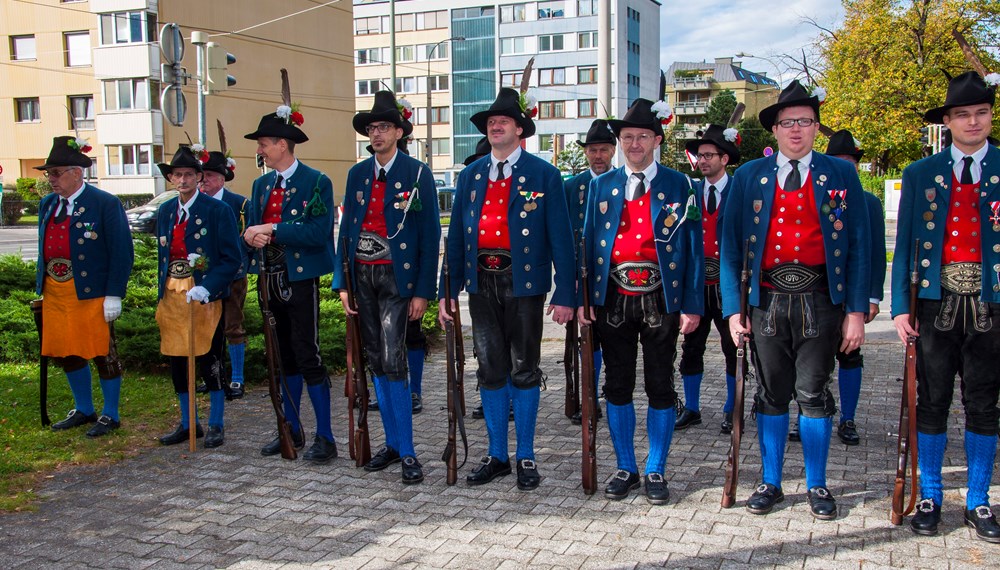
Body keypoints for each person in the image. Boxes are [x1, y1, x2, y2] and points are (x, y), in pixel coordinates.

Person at [720, 80, 870, 520]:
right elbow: (729, 248)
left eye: (805, 121)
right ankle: (770, 482)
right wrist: (733, 309)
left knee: (813, 394)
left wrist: (856, 311)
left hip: (821, 299)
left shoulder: (841, 175)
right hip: (766, 301)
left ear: (816, 127)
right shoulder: (749, 176)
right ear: (776, 130)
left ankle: (818, 484)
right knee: (770, 394)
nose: (796, 130)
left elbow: (859, 243)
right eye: (788, 123)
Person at [440, 87, 576, 490]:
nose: (494, 125)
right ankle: (498, 454)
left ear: (520, 129)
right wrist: (449, 288)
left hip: (525, 283)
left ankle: (527, 456)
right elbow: (457, 240)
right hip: (481, 284)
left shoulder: (543, 174)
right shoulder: (471, 174)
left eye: (502, 120)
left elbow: (562, 239)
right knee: (490, 368)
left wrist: (566, 293)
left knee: (524, 368)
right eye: (489, 122)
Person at [891, 70, 1000, 541]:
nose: (972, 121)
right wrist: (899, 307)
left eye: (980, 112)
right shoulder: (921, 174)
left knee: (983, 404)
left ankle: (978, 500)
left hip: (992, 306)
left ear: (991, 116)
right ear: (948, 121)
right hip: (934, 305)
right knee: (931, 402)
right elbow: (907, 245)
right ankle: (931, 492)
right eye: (963, 114)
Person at [578, 98, 704, 504]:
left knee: (659, 385)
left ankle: (655, 468)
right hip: (613, 297)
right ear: (619, 141)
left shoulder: (680, 184)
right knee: (616, 385)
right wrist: (583, 298)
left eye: (642, 136)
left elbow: (693, 250)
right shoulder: (600, 184)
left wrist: (692, 303)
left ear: (657, 140)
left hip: (660, 299)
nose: (634, 144)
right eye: (627, 136)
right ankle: (626, 466)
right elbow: (586, 244)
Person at [333, 91, 440, 484]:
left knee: (395, 360)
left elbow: (430, 237)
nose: (376, 133)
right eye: (372, 128)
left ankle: (409, 451)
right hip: (362, 275)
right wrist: (341, 281)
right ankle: (392, 444)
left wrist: (423, 291)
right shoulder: (357, 174)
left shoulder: (417, 174)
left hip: (398, 278)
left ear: (399, 132)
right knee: (376, 357)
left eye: (383, 127)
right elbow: (346, 231)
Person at [243, 98, 338, 464]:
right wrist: (250, 237)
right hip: (268, 279)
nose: (260, 149)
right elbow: (250, 228)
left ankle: (325, 437)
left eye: (264, 143)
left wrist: (272, 228)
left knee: (307, 355)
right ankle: (292, 427)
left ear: (283, 144)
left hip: (300, 281)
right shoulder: (261, 186)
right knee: (282, 358)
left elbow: (317, 233)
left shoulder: (316, 182)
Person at [34, 136, 133, 438]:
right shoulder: (48, 204)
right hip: (56, 290)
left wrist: (114, 293)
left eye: (57, 172)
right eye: (48, 173)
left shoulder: (103, 203)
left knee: (102, 351)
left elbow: (121, 251)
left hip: (91, 291)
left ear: (77, 172)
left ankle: (111, 414)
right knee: (67, 351)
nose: (51, 179)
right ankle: (84, 408)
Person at [153, 145, 241, 448]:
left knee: (210, 359)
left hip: (204, 293)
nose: (183, 180)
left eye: (189, 174)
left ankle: (216, 423)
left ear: (198, 177)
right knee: (178, 360)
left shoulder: (218, 210)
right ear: (171, 178)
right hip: (173, 294)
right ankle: (188, 422)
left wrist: (209, 285)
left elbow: (232, 258)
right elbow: (162, 256)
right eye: (177, 175)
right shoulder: (165, 211)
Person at [676, 124, 740, 434]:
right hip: (698, 284)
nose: (702, 161)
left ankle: (732, 408)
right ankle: (692, 408)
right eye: (699, 155)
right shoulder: (690, 192)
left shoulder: (739, 190)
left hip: (727, 285)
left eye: (709, 155)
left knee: (733, 347)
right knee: (691, 346)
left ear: (724, 159)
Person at [825, 130, 885, 446]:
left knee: (850, 354)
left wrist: (871, 297)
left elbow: (875, 251)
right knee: (810, 359)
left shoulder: (869, 202)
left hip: (853, 293)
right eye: (838, 161)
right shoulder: (820, 196)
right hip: (820, 293)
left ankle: (848, 418)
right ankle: (809, 414)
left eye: (849, 161)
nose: (844, 167)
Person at [564, 119, 614, 425]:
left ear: (612, 151)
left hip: (612, 275)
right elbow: (562, 233)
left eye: (604, 149)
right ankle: (589, 396)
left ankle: (613, 390)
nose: (598, 155)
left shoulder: (622, 182)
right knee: (586, 339)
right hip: (580, 274)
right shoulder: (571, 187)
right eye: (593, 150)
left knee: (613, 338)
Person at [200, 149, 250, 401]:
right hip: (205, 278)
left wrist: (242, 267)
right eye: (202, 176)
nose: (203, 180)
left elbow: (249, 241)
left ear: (222, 178)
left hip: (233, 276)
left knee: (233, 326)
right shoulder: (197, 203)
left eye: (208, 175)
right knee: (208, 328)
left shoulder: (240, 204)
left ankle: (238, 378)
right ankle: (213, 375)